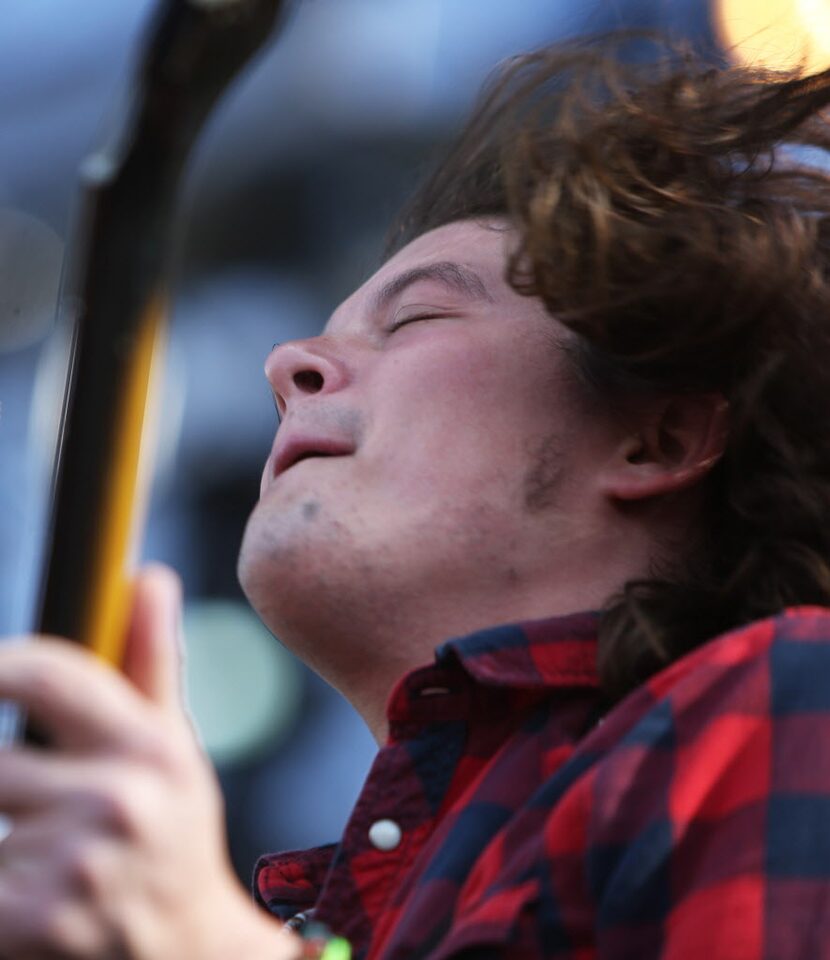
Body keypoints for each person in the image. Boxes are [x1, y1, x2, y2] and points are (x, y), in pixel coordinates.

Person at [2, 34, 830, 959]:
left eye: (418, 317)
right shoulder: (365, 920)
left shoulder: (796, 694)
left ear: (658, 439)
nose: (288, 366)